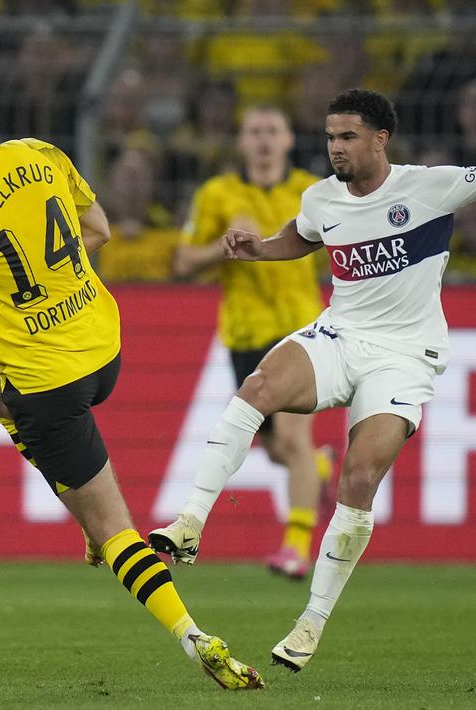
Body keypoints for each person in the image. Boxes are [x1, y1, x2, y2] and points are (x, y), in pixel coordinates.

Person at [148, 83, 476, 671]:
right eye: (330, 137)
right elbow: (300, 239)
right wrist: (257, 248)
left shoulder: (428, 187)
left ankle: (310, 623)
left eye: (348, 137)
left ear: (381, 140)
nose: (335, 148)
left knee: (359, 478)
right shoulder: (322, 198)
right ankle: (190, 523)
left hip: (404, 356)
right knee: (256, 389)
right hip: (341, 334)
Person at [0, 82, 263, 691]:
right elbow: (97, 230)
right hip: (104, 349)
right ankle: (80, 510)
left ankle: (192, 635)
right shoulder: (40, 154)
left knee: (114, 528)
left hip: (48, 386)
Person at [173, 105, 334, 579]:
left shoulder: (312, 191)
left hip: (299, 330)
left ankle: (296, 547)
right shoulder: (218, 193)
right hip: (244, 333)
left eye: (273, 130)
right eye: (254, 132)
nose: (263, 140)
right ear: (241, 142)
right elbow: (184, 261)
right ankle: (319, 471)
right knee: (281, 450)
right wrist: (220, 248)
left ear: (288, 140)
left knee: (291, 437)